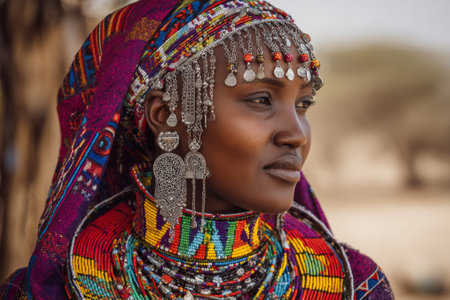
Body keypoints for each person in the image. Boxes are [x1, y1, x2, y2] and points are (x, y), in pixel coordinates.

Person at [0, 0, 394, 299]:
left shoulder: (358, 286)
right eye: (260, 100)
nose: (297, 134)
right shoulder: (50, 290)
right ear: (165, 115)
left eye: (303, 104)